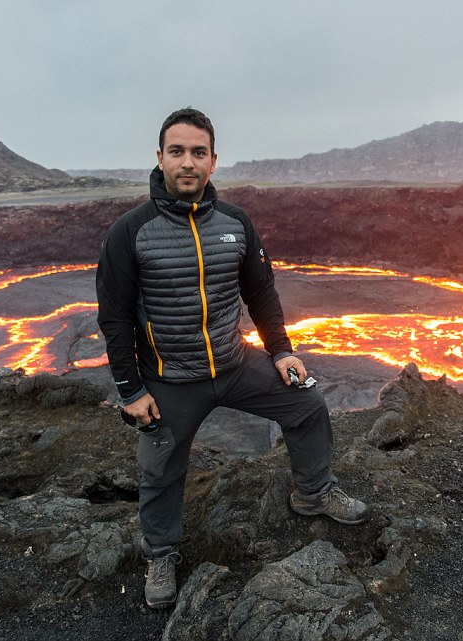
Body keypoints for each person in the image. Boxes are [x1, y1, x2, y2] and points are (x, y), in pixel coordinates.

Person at [95, 107, 368, 610]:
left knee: (307, 403)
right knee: (160, 466)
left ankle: (313, 492)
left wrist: (281, 351)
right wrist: (131, 390)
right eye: (176, 151)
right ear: (159, 158)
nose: (187, 163)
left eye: (198, 153)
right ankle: (160, 551)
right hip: (170, 379)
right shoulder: (129, 232)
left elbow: (260, 291)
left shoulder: (235, 223)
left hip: (235, 364)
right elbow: (113, 318)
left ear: (214, 161)